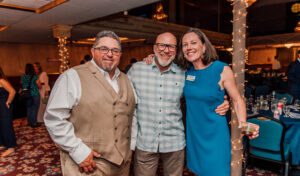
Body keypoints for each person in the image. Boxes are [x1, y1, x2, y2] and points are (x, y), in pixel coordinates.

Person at [128, 32, 229, 176]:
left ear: (176, 50)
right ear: (155, 48)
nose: (166, 50)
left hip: (174, 143)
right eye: (162, 45)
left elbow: (203, 94)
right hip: (145, 142)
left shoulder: (184, 74)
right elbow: (124, 101)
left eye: (171, 47)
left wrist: (224, 102)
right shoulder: (137, 70)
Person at [44, 30, 136, 175]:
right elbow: (54, 118)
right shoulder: (72, 77)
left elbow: (132, 115)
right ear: (93, 51)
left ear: (120, 55)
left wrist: (131, 147)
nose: (110, 54)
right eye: (103, 49)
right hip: (88, 163)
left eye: (115, 50)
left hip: (123, 163)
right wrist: (78, 151)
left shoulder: (127, 79)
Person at [177, 28, 259, 176]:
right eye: (184, 44)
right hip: (194, 136)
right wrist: (152, 56)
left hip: (215, 135)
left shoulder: (221, 69)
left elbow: (237, 99)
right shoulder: (185, 72)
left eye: (193, 43)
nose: (188, 47)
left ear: (204, 46)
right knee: (198, 171)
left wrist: (244, 124)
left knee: (218, 171)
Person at [0, 66, 17, 157]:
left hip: (4, 106)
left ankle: (11, 147)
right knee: (1, 126)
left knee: (6, 125)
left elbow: (12, 91)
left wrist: (8, 102)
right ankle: (3, 144)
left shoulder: (2, 81)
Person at [21, 63, 41, 128]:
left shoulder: (23, 76)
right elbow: (39, 86)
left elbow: (21, 83)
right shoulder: (35, 77)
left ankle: (29, 122)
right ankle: (34, 123)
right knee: (35, 108)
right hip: (35, 94)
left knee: (29, 108)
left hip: (27, 94)